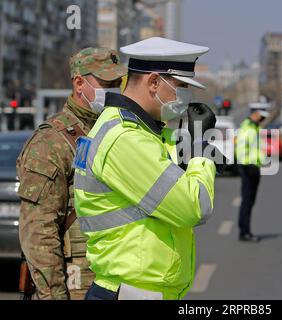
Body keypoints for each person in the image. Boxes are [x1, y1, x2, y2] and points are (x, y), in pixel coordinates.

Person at [74, 37, 220, 300]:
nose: (185, 95)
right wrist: (201, 150)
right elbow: (193, 206)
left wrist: (189, 142)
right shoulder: (126, 139)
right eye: (182, 86)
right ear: (154, 82)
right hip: (130, 293)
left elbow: (171, 174)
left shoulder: (139, 131)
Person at [17, 48, 127, 300]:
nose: (113, 90)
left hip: (113, 281)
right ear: (80, 83)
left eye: (117, 83)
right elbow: (39, 232)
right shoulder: (51, 142)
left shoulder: (115, 130)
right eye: (106, 83)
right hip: (76, 284)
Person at [236, 103, 270, 242]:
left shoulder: (254, 127)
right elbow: (241, 150)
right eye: (261, 116)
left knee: (249, 201)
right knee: (247, 200)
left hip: (253, 167)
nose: (262, 119)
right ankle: (244, 232)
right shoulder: (248, 128)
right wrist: (248, 166)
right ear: (255, 113)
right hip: (248, 168)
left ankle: (245, 230)